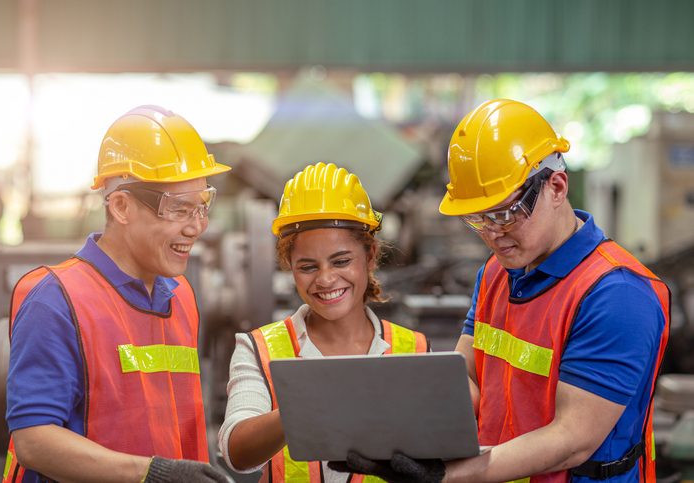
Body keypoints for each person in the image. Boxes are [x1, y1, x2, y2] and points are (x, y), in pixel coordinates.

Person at [333, 99, 670, 482]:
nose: (493, 234)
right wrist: (406, 432)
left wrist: (447, 475)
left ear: (556, 186)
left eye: (505, 214)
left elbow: (572, 438)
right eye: (477, 219)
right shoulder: (497, 272)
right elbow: (470, 379)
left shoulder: (617, 294)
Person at [4, 105, 232, 483]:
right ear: (122, 206)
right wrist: (153, 473)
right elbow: (33, 440)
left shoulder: (181, 296)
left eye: (201, 207)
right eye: (178, 209)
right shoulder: (57, 300)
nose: (196, 228)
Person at [218, 161, 430, 482]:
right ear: (289, 265)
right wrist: (305, 405)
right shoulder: (259, 349)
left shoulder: (414, 349)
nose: (326, 279)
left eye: (341, 261)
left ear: (370, 255)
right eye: (307, 266)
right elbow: (237, 453)